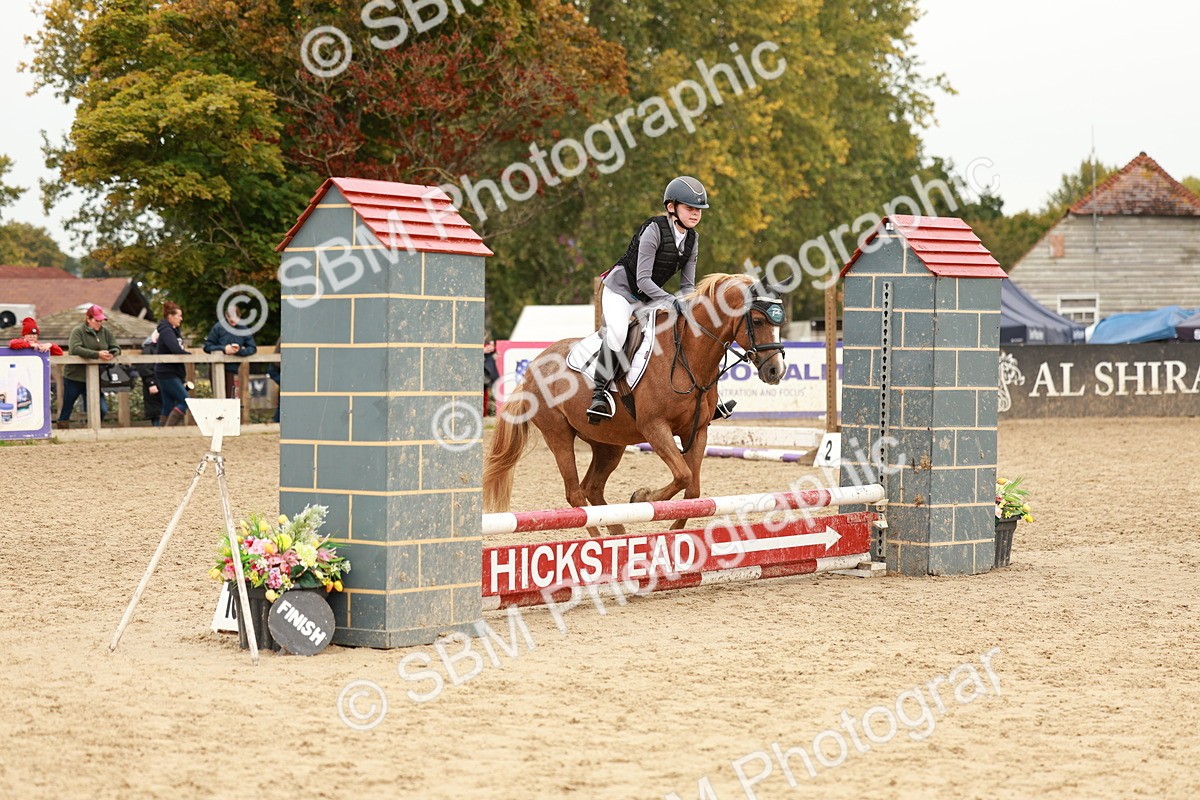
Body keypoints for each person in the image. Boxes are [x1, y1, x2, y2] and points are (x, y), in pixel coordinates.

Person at [588, 176, 735, 423]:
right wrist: (670, 301)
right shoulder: (654, 230)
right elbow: (643, 279)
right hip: (622, 290)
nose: (695, 214)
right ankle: (599, 393)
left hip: (649, 297)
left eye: (698, 210)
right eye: (689, 208)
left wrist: (691, 307)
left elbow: (687, 285)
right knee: (618, 332)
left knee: (687, 330)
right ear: (671, 207)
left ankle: (709, 396)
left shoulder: (692, 239)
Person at [57, 305, 121, 430]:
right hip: (74, 377)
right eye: (96, 320)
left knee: (101, 408)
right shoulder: (78, 331)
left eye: (101, 320)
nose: (99, 323)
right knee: (67, 407)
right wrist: (97, 354)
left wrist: (111, 353)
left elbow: (116, 347)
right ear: (88, 319)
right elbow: (75, 349)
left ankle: (91, 429)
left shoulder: (106, 332)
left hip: (95, 378)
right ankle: (62, 432)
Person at [202, 308, 258, 398]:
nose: (233, 321)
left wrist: (239, 351)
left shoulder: (243, 329)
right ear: (226, 317)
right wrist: (224, 349)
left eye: (236, 318)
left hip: (232, 369)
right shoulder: (218, 327)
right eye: (231, 318)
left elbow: (252, 348)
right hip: (216, 368)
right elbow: (207, 346)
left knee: (230, 397)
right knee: (218, 397)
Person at [154, 301, 190, 426]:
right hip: (167, 372)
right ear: (170, 316)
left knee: (168, 405)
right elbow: (175, 349)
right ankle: (169, 429)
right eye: (179, 316)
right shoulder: (166, 331)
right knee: (186, 401)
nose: (181, 318)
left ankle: (162, 431)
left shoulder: (174, 331)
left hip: (172, 371)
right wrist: (189, 356)